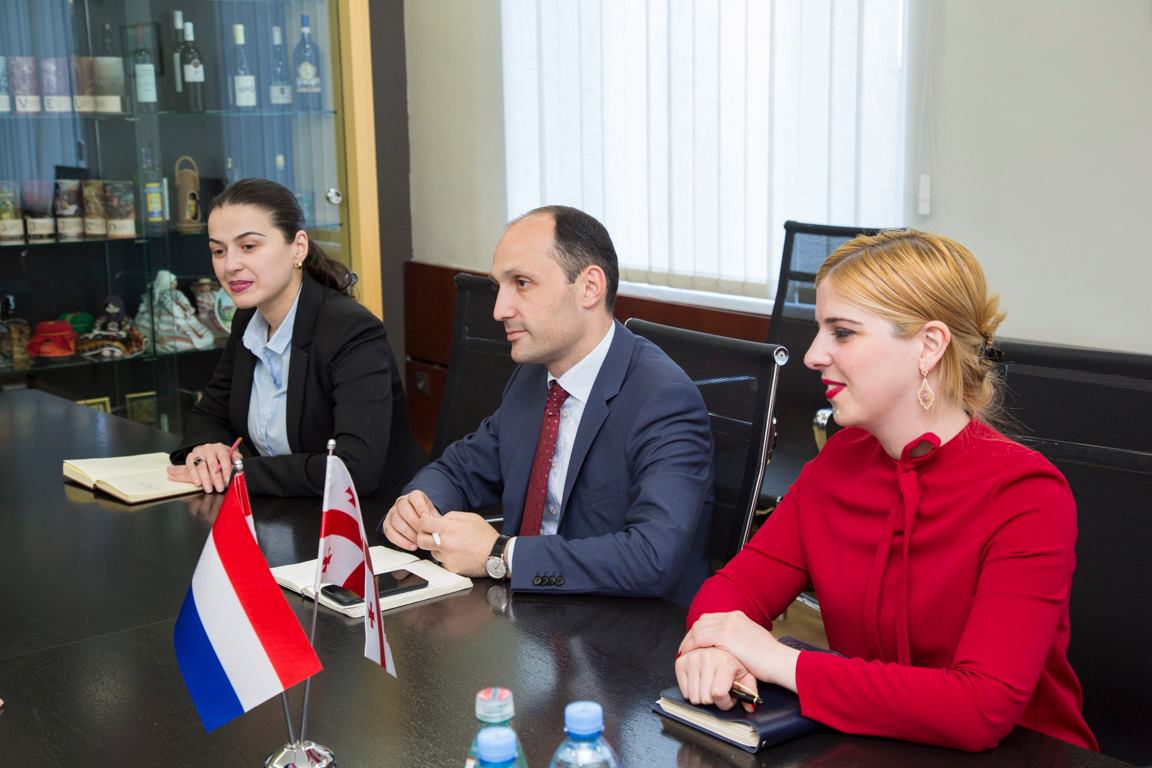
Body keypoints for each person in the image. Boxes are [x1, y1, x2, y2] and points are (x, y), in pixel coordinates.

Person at [675, 230, 1097, 752]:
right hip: (873, 743)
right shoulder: (840, 462)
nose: (813, 355)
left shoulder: (1026, 495)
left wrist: (781, 661)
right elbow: (732, 592)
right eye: (820, 330)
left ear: (929, 346)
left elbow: (978, 709)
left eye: (843, 332)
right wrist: (717, 651)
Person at [382, 205, 713, 604]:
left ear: (589, 287)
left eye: (522, 283)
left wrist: (501, 554)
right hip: (530, 612)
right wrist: (417, 504)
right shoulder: (534, 377)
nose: (499, 310)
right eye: (498, 286)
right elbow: (460, 469)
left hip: (623, 624)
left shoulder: (663, 398)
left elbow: (652, 557)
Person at [168, 178, 426, 499]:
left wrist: (238, 471)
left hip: (372, 516)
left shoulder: (352, 330)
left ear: (298, 247)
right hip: (288, 510)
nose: (230, 265)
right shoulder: (248, 320)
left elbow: (352, 470)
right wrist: (206, 450)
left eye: (249, 246)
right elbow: (208, 414)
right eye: (218, 251)